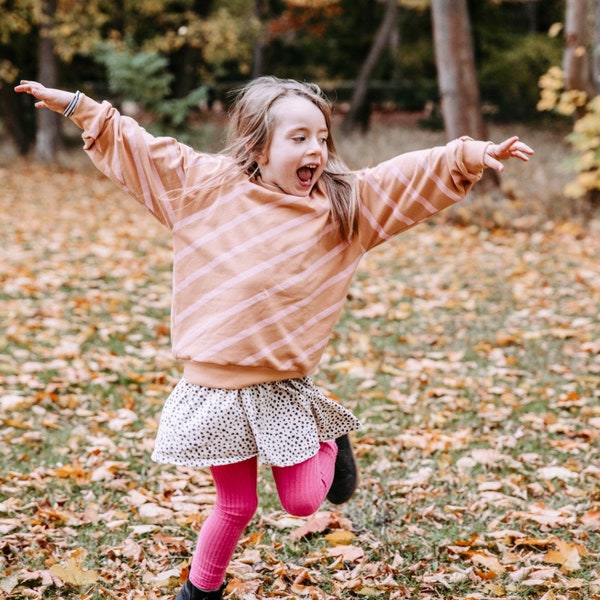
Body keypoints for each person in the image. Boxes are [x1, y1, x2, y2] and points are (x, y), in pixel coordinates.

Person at [15, 77, 533, 600]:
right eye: (299, 138)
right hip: (211, 390)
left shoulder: (342, 209)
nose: (316, 150)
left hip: (280, 388)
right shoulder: (205, 189)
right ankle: (199, 592)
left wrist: (470, 154)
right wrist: (81, 108)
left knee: (304, 502)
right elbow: (143, 151)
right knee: (236, 506)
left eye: (323, 138)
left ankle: (327, 435)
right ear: (258, 148)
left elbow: (401, 178)